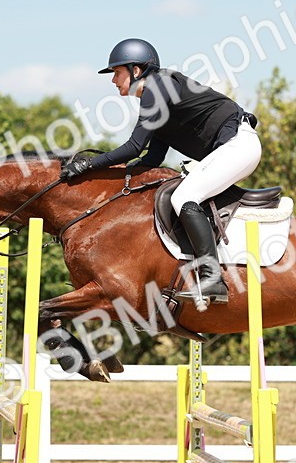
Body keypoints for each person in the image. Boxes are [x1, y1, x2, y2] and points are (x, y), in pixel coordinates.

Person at [60, 38, 262, 306]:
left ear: (136, 70)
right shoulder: (160, 95)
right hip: (234, 148)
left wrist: (89, 165)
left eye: (117, 72)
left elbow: (133, 147)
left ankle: (212, 279)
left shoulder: (158, 88)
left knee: (183, 197)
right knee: (184, 193)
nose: (113, 81)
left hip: (239, 145)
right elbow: (153, 157)